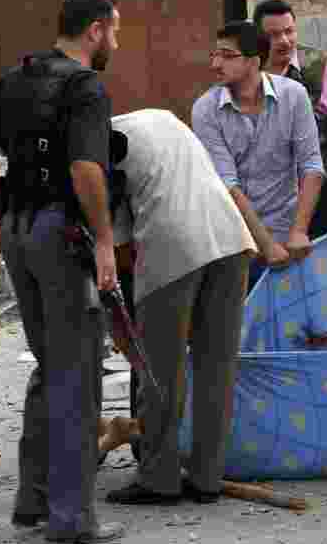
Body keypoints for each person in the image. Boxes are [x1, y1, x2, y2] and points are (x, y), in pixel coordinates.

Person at [0, 0, 124, 544]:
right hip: (61, 235)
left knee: (51, 367)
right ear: (95, 29)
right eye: (114, 30)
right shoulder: (86, 88)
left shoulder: (18, 76)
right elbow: (86, 172)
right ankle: (72, 521)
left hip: (19, 234)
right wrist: (103, 243)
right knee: (76, 375)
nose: (115, 41)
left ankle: (34, 501)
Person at [104, 109, 256, 505]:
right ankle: (207, 477)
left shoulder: (98, 148)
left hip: (173, 245)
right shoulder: (158, 118)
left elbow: (120, 253)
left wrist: (123, 317)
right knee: (216, 368)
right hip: (231, 238)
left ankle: (159, 477)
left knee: (159, 371)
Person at [192, 20, 324, 289]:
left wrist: (298, 231)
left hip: (288, 237)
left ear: (253, 61)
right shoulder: (205, 110)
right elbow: (226, 184)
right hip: (234, 242)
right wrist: (265, 245)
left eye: (227, 56)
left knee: (299, 326)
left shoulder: (294, 95)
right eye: (215, 54)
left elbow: (311, 165)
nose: (215, 64)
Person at [252, 0, 327, 235]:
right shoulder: (250, 70)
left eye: (289, 31)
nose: (284, 41)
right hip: (267, 196)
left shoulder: (323, 69)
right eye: (273, 35)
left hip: (321, 193)